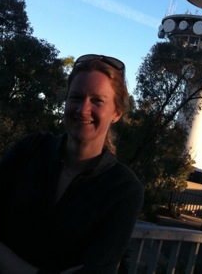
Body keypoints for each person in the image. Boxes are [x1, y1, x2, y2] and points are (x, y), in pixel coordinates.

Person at [0, 54, 144, 274]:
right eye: (76, 97)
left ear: (117, 113)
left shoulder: (124, 189)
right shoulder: (30, 150)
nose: (82, 109)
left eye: (97, 101)